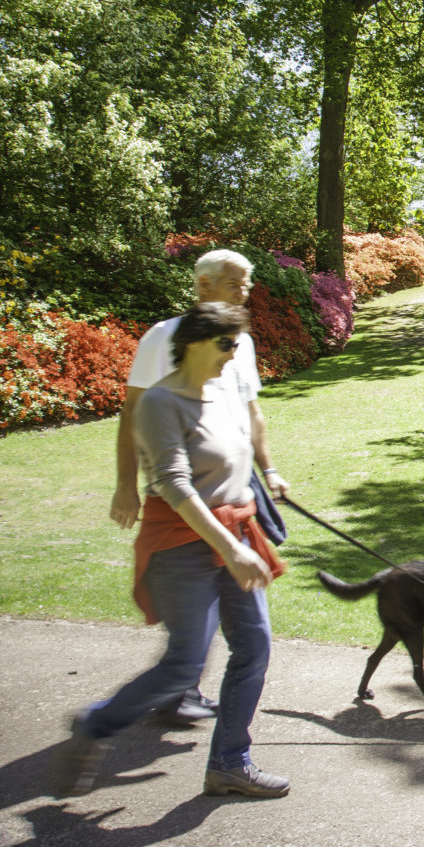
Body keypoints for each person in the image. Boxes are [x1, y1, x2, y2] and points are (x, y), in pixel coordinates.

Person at [52, 303, 289, 798]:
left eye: (237, 343)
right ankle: (95, 726)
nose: (234, 353)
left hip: (236, 536)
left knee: (254, 648)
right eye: (226, 343)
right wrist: (230, 548)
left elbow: (235, 463)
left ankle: (229, 763)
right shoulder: (161, 402)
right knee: (184, 664)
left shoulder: (223, 392)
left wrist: (262, 493)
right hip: (182, 544)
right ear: (194, 342)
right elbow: (174, 484)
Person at [110, 249, 290, 724]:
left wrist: (269, 469)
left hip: (232, 486)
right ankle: (168, 691)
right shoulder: (163, 337)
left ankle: (187, 697)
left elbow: (250, 411)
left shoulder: (239, 341)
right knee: (197, 614)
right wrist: (126, 485)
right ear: (203, 284)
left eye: (247, 284)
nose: (244, 292)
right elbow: (134, 412)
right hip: (184, 494)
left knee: (239, 629)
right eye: (235, 283)